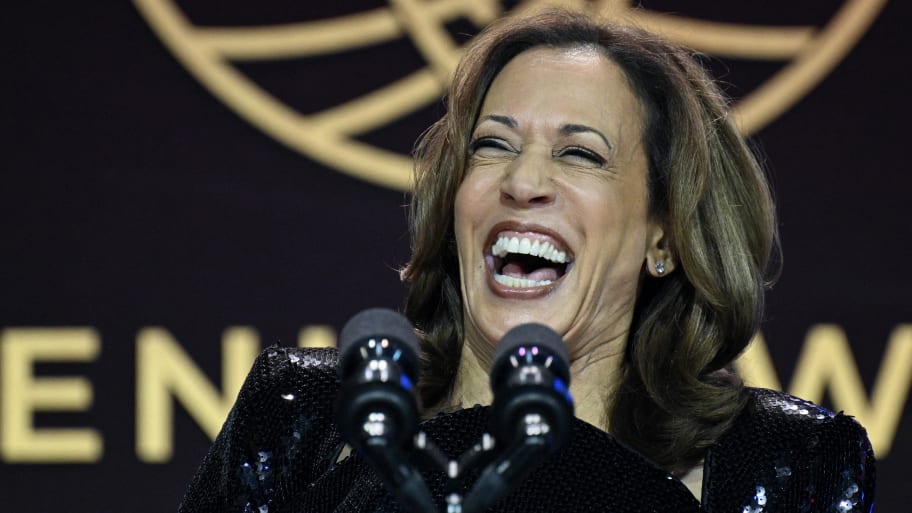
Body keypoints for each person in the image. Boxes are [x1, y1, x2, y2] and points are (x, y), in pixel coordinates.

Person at [179, 8, 875, 513]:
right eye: (492, 145)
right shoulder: (303, 417)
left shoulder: (787, 465)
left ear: (665, 235)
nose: (523, 181)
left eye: (580, 153)